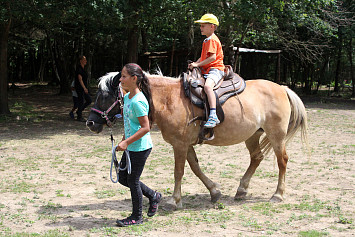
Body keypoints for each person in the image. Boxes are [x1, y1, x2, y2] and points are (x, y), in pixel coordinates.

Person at [115, 63, 162, 227]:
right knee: (122, 178)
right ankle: (153, 195)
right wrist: (123, 140)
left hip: (140, 148)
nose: (120, 79)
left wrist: (127, 142)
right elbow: (129, 122)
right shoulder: (127, 98)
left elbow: (145, 127)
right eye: (121, 76)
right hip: (130, 146)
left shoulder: (138, 101)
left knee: (133, 180)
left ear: (134, 79)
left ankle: (137, 217)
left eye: (124, 76)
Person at [189, 13, 225, 128]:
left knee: (208, 87)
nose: (201, 28)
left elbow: (212, 58)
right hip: (207, 69)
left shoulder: (212, 40)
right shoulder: (206, 40)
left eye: (203, 25)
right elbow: (203, 57)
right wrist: (195, 64)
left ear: (212, 27)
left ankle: (213, 115)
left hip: (215, 69)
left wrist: (198, 64)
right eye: (201, 26)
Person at [75, 55, 92, 122]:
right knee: (81, 101)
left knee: (89, 100)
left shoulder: (83, 69)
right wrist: (84, 88)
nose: (86, 61)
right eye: (84, 60)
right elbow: (80, 79)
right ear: (80, 61)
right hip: (80, 88)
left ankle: (79, 111)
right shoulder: (79, 69)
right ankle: (79, 116)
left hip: (83, 87)